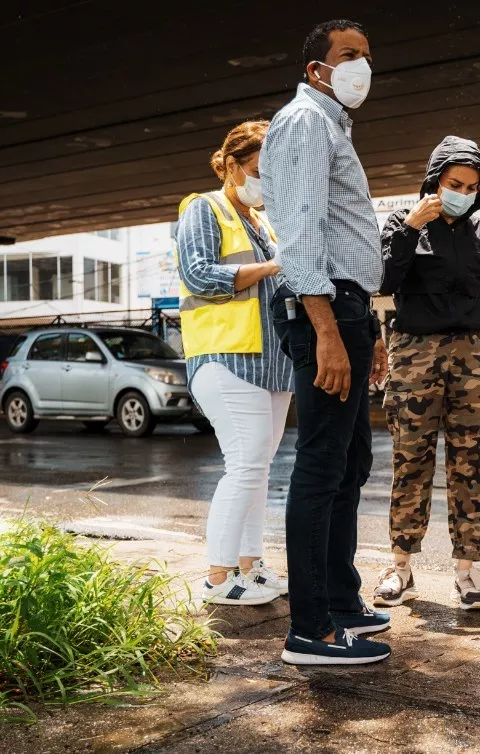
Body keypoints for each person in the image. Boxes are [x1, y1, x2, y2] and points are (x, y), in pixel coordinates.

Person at [261, 19, 391, 666]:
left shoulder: (331, 125)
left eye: (366, 55)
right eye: (348, 55)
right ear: (318, 69)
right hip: (325, 306)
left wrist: (366, 324)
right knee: (319, 467)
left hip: (347, 307)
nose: (361, 66)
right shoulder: (306, 123)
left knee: (351, 463)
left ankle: (341, 600)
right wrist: (328, 330)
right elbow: (302, 235)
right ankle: (310, 630)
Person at [370, 136, 480, 611]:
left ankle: (468, 572)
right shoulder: (403, 222)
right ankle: (400, 569)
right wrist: (410, 229)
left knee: (470, 461)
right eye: (454, 183)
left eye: (473, 186)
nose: (463, 192)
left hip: (473, 354)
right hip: (415, 351)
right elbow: (382, 281)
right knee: (411, 459)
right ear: (434, 180)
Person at [176, 121, 293, 607]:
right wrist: (276, 265)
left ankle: (251, 567)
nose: (265, 181)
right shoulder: (205, 209)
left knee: (258, 469)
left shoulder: (262, 223)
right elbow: (198, 273)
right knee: (244, 465)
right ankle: (218, 577)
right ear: (230, 165)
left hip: (271, 362)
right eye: (259, 171)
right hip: (225, 356)